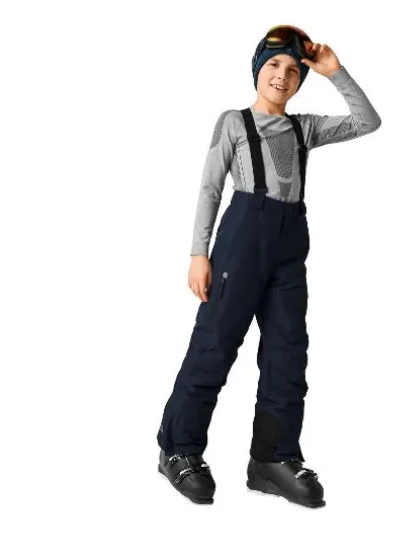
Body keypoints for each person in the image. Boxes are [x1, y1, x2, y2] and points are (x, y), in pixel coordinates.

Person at [156, 25, 381, 507]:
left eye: (294, 70)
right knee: (215, 344)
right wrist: (198, 253)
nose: (283, 75)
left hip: (289, 246)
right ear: (258, 69)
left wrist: (334, 72)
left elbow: (368, 121)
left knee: (287, 351)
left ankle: (272, 459)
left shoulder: (305, 128)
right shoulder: (234, 123)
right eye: (274, 65)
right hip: (242, 239)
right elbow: (210, 188)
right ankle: (178, 448)